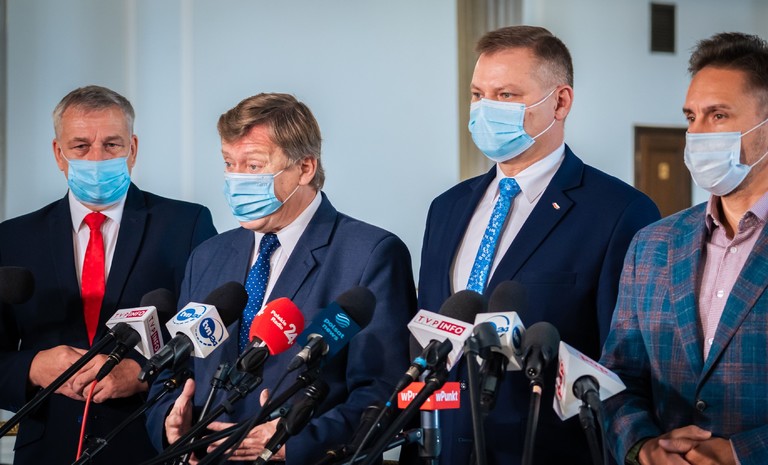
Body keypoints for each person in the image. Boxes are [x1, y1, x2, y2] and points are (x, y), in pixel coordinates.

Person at [413, 26, 660, 465]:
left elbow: (622, 367)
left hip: (548, 450)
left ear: (560, 102)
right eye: (477, 94)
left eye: (505, 95)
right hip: (445, 449)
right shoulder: (446, 208)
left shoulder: (620, 212)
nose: (485, 109)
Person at [145, 92, 416, 464]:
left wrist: (295, 441)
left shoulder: (370, 254)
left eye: (253, 165)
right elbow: (173, 369)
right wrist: (169, 424)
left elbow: (383, 389)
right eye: (229, 163)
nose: (236, 179)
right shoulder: (208, 256)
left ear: (305, 168)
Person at [0, 85, 217, 464]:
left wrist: (144, 373)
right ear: (58, 153)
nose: (97, 158)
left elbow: (213, 338)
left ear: (133, 149)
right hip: (47, 448)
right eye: (81, 146)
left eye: (112, 145)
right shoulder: (13, 238)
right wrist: (32, 367)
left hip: (147, 443)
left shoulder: (186, 224)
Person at [600, 32, 768, 465]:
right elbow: (618, 376)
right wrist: (643, 447)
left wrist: (741, 453)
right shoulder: (652, 245)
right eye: (692, 116)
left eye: (718, 115)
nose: (697, 133)